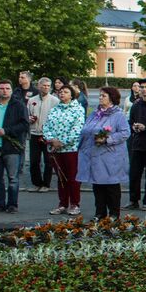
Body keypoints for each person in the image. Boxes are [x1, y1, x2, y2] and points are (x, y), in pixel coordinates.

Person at [79, 86, 130, 219]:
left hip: (110, 156)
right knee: (98, 186)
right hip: (95, 155)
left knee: (111, 185)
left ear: (111, 98)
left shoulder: (118, 115)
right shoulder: (94, 114)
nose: (100, 98)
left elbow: (125, 133)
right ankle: (100, 213)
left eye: (103, 96)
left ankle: (114, 214)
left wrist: (108, 139)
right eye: (100, 95)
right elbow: (86, 130)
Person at [0, 80, 28, 214]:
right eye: (1, 88)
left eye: (7, 88)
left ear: (11, 90)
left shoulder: (19, 106)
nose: (4, 91)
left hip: (11, 146)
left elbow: (24, 125)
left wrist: (7, 130)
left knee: (13, 178)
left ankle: (12, 204)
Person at [42, 84, 85, 216]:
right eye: (60, 92)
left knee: (72, 177)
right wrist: (51, 139)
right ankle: (63, 203)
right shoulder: (55, 109)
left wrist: (62, 142)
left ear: (72, 95)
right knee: (61, 178)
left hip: (71, 149)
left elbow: (77, 129)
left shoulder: (78, 109)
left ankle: (75, 203)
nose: (62, 94)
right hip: (55, 149)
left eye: (66, 92)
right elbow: (46, 126)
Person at [127, 80, 146, 210]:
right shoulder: (136, 104)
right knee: (134, 174)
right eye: (142, 87)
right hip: (137, 144)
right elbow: (131, 120)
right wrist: (134, 126)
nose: (144, 90)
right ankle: (133, 200)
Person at [26, 77, 58, 192]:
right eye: (44, 85)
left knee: (48, 161)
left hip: (48, 135)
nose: (46, 88)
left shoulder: (55, 101)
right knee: (34, 160)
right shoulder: (32, 100)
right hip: (35, 133)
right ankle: (36, 183)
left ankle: (46, 184)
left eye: (48, 86)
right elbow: (27, 114)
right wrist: (29, 119)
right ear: (39, 86)